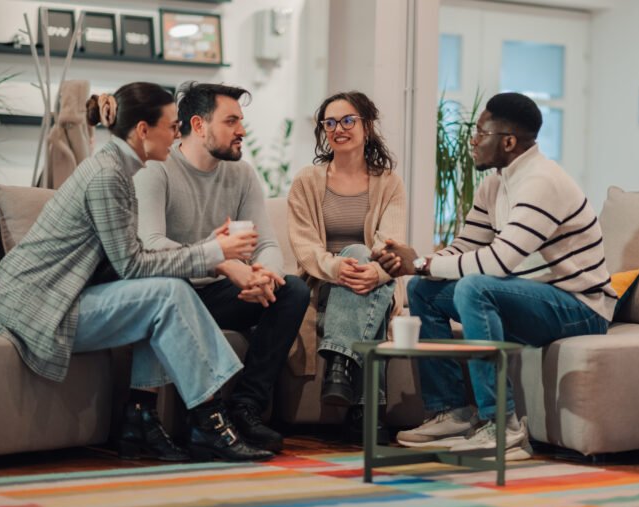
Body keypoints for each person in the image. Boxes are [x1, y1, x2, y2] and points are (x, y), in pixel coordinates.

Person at [0, 82, 274, 463]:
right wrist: (212, 254)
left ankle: (141, 420)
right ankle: (210, 421)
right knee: (166, 293)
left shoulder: (118, 168)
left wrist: (208, 251)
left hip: (58, 296)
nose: (177, 134)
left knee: (162, 290)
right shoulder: (108, 175)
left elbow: (134, 261)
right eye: (172, 126)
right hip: (39, 306)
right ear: (143, 130)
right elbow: (132, 264)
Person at [374, 92, 614, 460]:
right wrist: (417, 264)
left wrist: (419, 263)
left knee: (474, 287)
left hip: (581, 308)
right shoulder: (495, 184)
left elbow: (499, 262)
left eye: (480, 132)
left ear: (508, 141)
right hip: (540, 299)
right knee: (423, 290)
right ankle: (452, 412)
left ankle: (503, 427)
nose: (472, 140)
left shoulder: (541, 182)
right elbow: (466, 247)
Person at [134, 82, 309, 454]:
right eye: (231, 121)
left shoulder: (241, 174)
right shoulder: (157, 169)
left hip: (220, 294)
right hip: (175, 293)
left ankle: (245, 409)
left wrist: (264, 276)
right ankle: (205, 423)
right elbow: (151, 246)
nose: (242, 130)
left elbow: (266, 243)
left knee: (292, 289)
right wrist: (224, 263)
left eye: (241, 121)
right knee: (174, 290)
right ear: (198, 125)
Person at [287, 91, 406, 442]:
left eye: (348, 120)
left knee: (368, 265)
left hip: (374, 283)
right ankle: (368, 413)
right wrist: (340, 268)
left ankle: (340, 367)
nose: (339, 128)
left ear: (367, 126)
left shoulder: (389, 183)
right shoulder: (307, 182)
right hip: (322, 286)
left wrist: (378, 272)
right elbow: (304, 246)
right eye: (331, 122)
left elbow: (392, 244)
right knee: (357, 252)